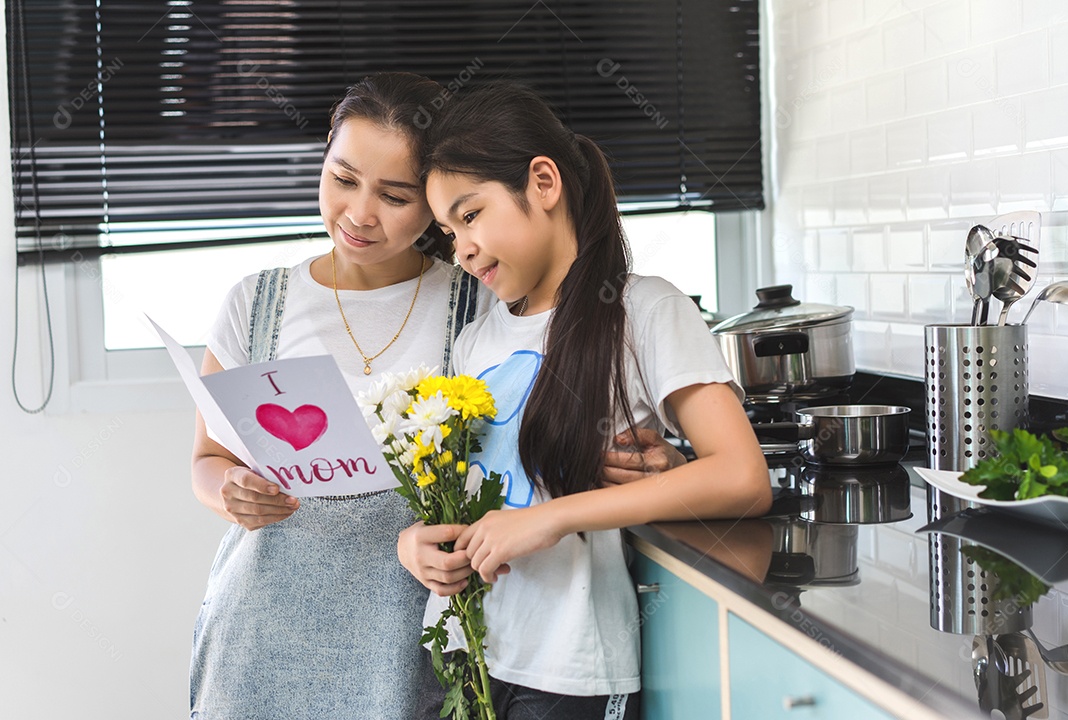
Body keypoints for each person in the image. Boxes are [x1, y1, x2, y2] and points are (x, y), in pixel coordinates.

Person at [188, 72, 682, 720]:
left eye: (395, 195)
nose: (361, 213)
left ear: (436, 201)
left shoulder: (481, 300)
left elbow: (546, 423)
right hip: (261, 629)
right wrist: (228, 490)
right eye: (342, 178)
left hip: (411, 630)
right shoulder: (254, 302)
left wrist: (654, 457)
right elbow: (206, 459)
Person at [407, 82, 773, 719]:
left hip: (569, 668)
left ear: (542, 183)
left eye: (470, 215)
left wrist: (556, 515)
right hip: (468, 654)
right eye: (446, 231)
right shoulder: (474, 342)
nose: (459, 249)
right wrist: (416, 543)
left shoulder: (647, 309)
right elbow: (471, 495)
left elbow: (742, 477)